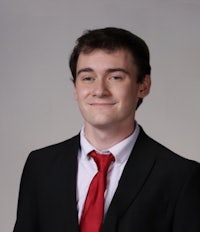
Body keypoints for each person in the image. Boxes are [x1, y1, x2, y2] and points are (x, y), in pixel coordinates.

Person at [13, 27, 200, 232]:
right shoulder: (40, 166)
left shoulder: (181, 176)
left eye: (115, 77)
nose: (100, 91)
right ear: (75, 88)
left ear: (143, 86)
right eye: (87, 78)